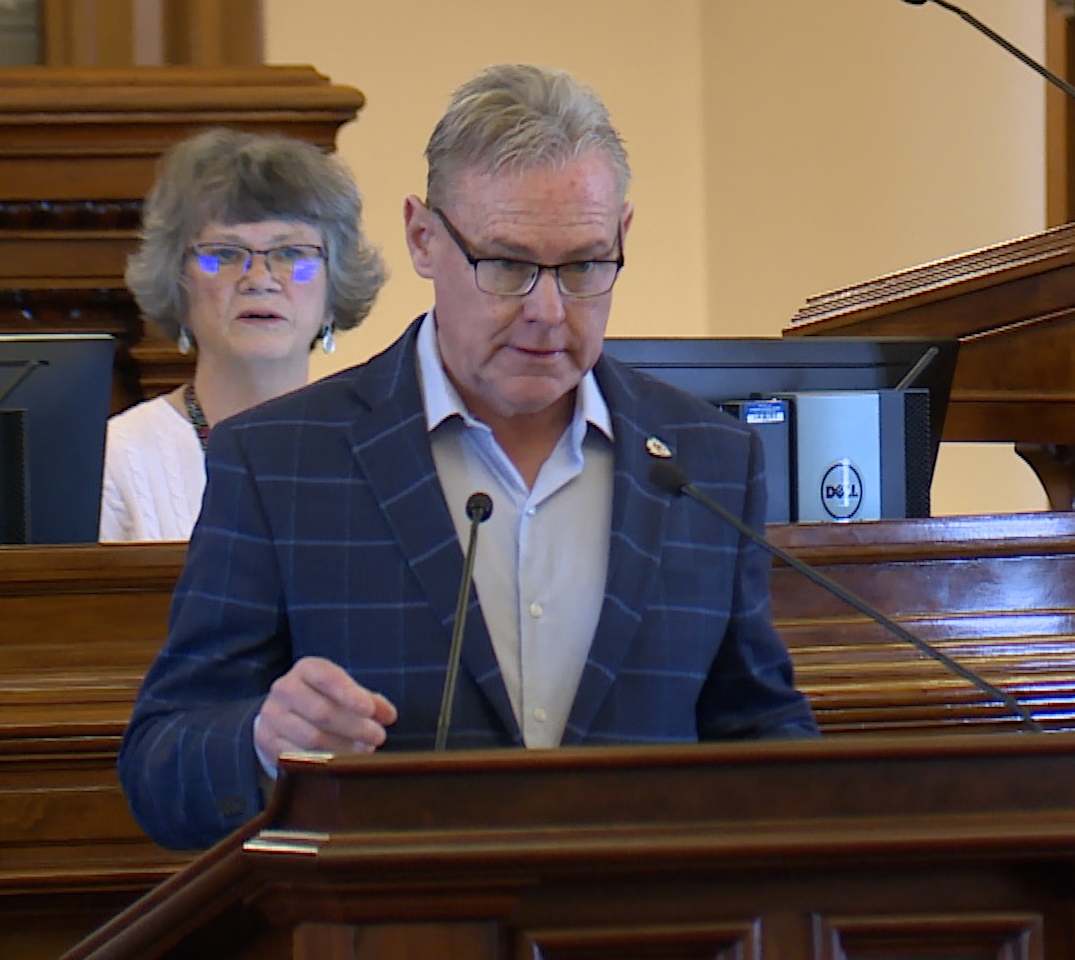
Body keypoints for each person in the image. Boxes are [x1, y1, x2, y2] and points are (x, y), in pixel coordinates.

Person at [118, 63, 819, 850]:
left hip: (648, 956)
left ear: (623, 236)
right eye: (508, 266)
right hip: (394, 953)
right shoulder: (280, 462)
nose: (548, 312)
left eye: (585, 266)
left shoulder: (708, 462)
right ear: (424, 237)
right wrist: (257, 738)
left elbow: (758, 733)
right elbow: (159, 766)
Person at [99, 128, 387, 542]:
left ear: (333, 287)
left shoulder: (382, 454)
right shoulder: (121, 459)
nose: (259, 279)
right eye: (225, 255)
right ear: (177, 283)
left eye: (291, 254)